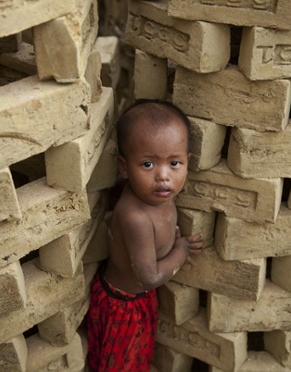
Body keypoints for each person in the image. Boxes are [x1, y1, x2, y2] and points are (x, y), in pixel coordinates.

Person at [87, 100, 204, 371]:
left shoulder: (156, 194)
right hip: (123, 306)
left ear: (188, 162)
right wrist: (181, 251)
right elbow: (149, 277)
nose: (163, 176)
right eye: (148, 164)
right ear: (125, 167)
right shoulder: (136, 217)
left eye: (175, 163)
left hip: (138, 299)